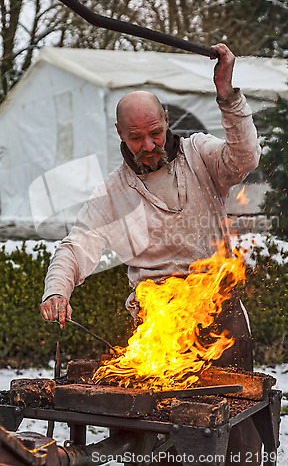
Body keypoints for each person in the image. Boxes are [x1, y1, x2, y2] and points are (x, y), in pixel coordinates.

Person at [40, 43, 262, 464]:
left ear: (166, 120)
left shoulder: (200, 155)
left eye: (155, 132)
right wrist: (57, 290)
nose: (148, 144)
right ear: (121, 136)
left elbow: (246, 157)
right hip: (156, 328)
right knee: (155, 436)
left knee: (233, 436)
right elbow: (78, 243)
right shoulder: (114, 192)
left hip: (220, 319)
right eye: (136, 137)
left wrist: (227, 95)